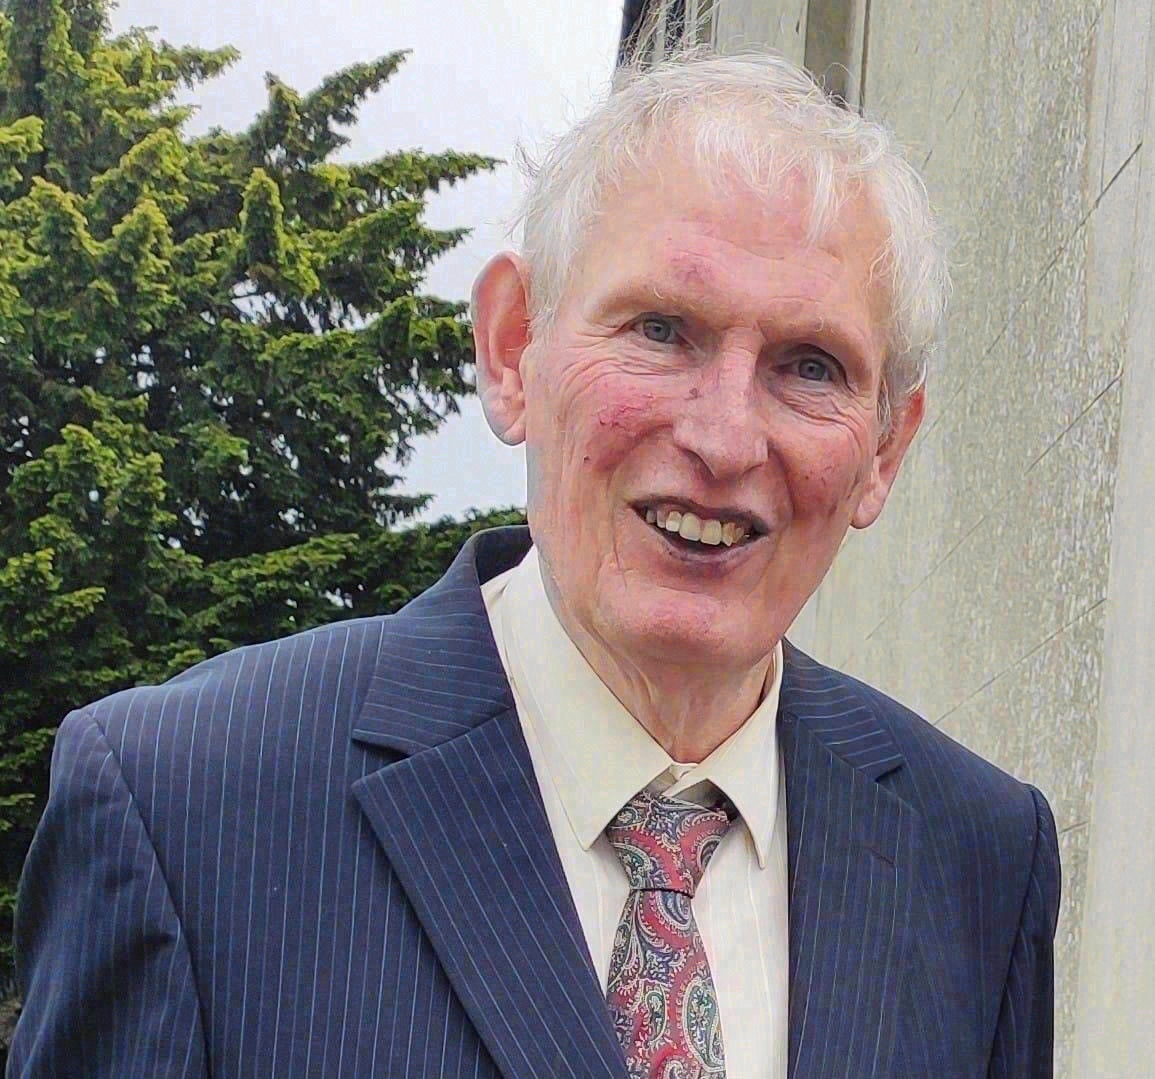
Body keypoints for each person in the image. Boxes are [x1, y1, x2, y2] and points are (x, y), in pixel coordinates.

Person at [9, 49, 1059, 1079]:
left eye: (810, 366)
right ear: (513, 347)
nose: (725, 437)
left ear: (883, 449)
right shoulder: (184, 805)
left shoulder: (979, 857)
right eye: (662, 330)